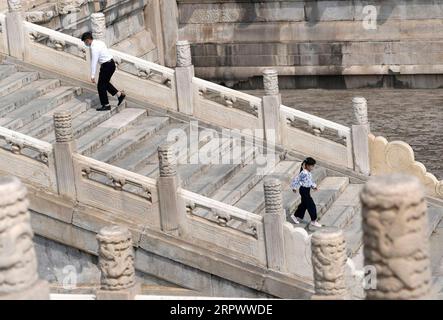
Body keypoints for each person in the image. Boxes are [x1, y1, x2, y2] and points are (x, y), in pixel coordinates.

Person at [81, 32, 126, 111]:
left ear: (87, 40)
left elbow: (94, 62)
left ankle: (106, 105)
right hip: (111, 64)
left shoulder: (94, 48)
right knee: (105, 83)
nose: (85, 44)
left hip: (106, 66)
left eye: (85, 42)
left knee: (101, 86)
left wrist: (92, 75)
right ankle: (119, 95)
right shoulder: (99, 42)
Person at [290, 157, 322, 227]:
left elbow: (309, 181)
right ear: (307, 165)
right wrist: (294, 187)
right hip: (304, 190)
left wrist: (313, 186)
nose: (313, 167)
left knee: (304, 205)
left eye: (313, 166)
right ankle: (313, 220)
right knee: (311, 205)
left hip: (306, 190)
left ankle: (295, 216)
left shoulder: (308, 173)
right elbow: (297, 179)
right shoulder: (304, 172)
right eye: (312, 166)